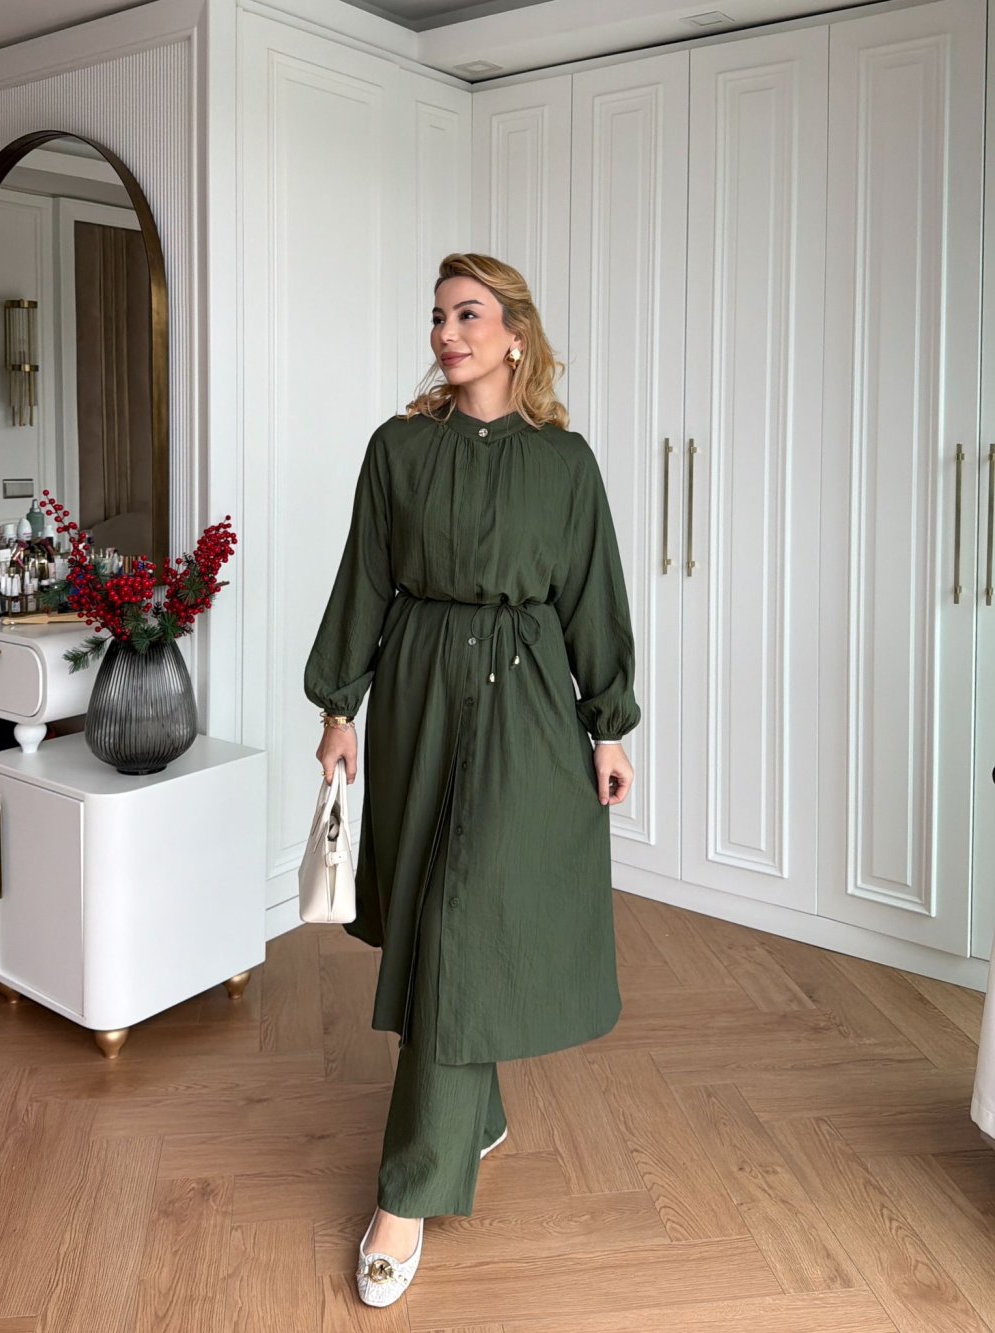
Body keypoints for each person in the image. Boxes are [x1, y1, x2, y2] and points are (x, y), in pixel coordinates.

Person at [303, 252, 640, 1308]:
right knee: (436, 912)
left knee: (468, 915)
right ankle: (477, 1112)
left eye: (469, 314)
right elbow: (364, 577)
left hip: (528, 702)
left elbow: (592, 594)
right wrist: (339, 708)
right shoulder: (398, 450)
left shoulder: (566, 464)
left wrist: (609, 728)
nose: (447, 333)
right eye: (439, 316)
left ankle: (406, 1193)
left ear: (515, 336)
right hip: (418, 694)